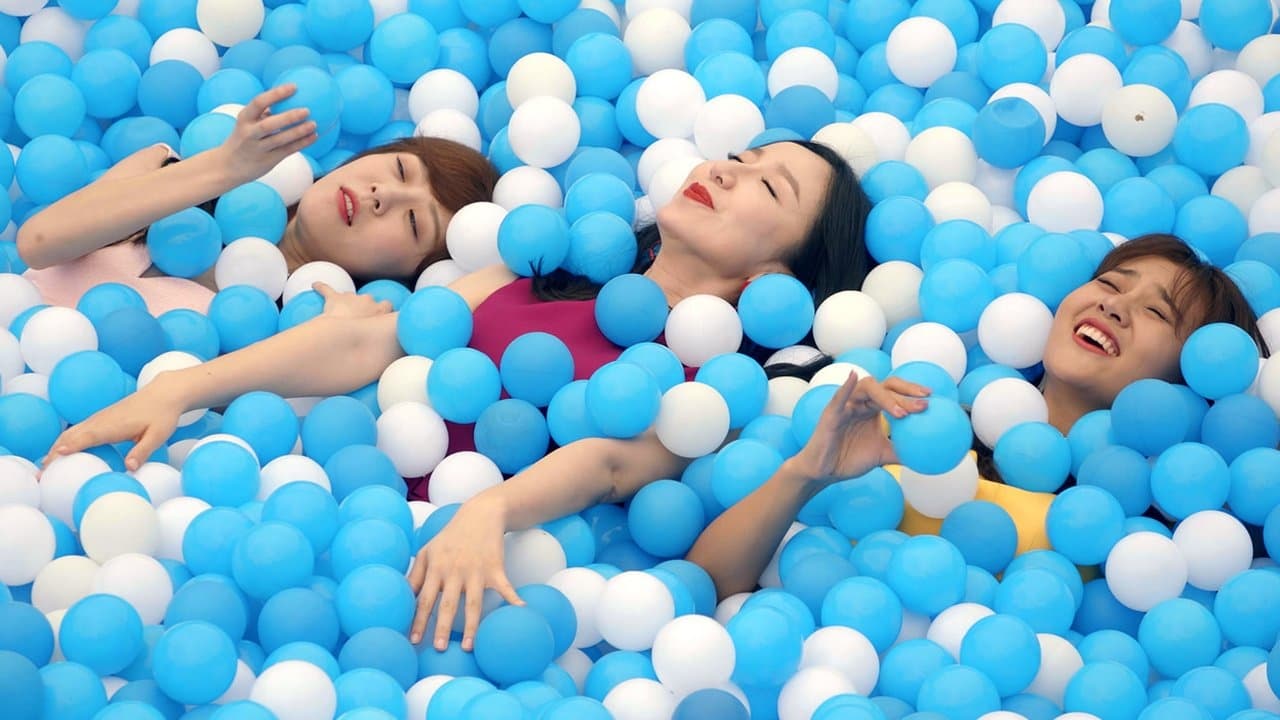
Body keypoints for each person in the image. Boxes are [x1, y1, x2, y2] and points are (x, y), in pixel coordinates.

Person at [43, 139, 874, 650]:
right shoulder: (541, 264)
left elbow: (611, 464)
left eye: (768, 188)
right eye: (743, 157)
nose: (727, 171)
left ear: (778, 275)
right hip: (308, 503)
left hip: (462, 591)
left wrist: (489, 512)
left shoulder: (714, 386)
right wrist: (184, 387)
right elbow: (375, 342)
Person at [685, 233, 1270, 599]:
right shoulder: (911, 420)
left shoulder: (1154, 536)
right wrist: (806, 473)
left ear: (1195, 373)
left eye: (1156, 313)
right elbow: (703, 587)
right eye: (1109, 283)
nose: (1113, 305)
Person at [16, 84, 499, 315]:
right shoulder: (163, 168)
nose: (383, 195)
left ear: (407, 277)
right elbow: (39, 242)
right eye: (400, 169)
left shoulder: (293, 331)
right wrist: (224, 169)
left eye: (414, 222)